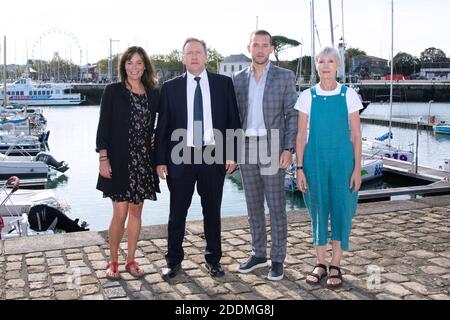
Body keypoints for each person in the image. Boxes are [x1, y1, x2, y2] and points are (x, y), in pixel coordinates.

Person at [155, 38, 241, 279]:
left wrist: (233, 153)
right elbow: (162, 127)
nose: (194, 56)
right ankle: (173, 261)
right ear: (183, 58)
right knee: (177, 212)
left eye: (198, 52)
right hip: (179, 156)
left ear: (206, 56)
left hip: (213, 155)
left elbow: (234, 120)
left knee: (212, 211)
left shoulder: (223, 84)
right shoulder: (170, 87)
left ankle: (214, 260)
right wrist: (160, 160)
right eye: (189, 53)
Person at [232, 30, 298, 281]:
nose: (260, 50)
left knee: (276, 205)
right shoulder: (237, 80)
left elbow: (292, 114)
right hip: (246, 147)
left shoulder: (284, 77)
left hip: (273, 146)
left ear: (271, 48)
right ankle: (258, 253)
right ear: (249, 47)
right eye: (255, 45)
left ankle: (278, 258)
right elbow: (233, 117)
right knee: (253, 205)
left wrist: (288, 148)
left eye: (264, 46)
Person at [295, 46, 363, 288]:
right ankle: (320, 263)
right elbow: (301, 136)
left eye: (330, 61)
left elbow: (356, 135)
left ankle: (336, 264)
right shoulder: (306, 97)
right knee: (318, 211)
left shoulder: (349, 95)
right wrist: (299, 167)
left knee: (342, 211)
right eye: (321, 61)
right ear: (316, 65)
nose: (325, 65)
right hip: (314, 162)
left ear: (337, 66)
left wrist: (357, 169)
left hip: (343, 162)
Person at [96, 46, 160, 280]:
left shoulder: (153, 93)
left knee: (136, 213)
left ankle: (130, 260)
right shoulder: (113, 91)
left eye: (139, 62)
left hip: (143, 161)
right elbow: (103, 126)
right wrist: (103, 157)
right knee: (119, 213)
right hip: (119, 160)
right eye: (130, 62)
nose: (134, 67)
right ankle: (112, 261)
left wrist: (156, 139)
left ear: (145, 66)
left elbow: (160, 123)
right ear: (124, 66)